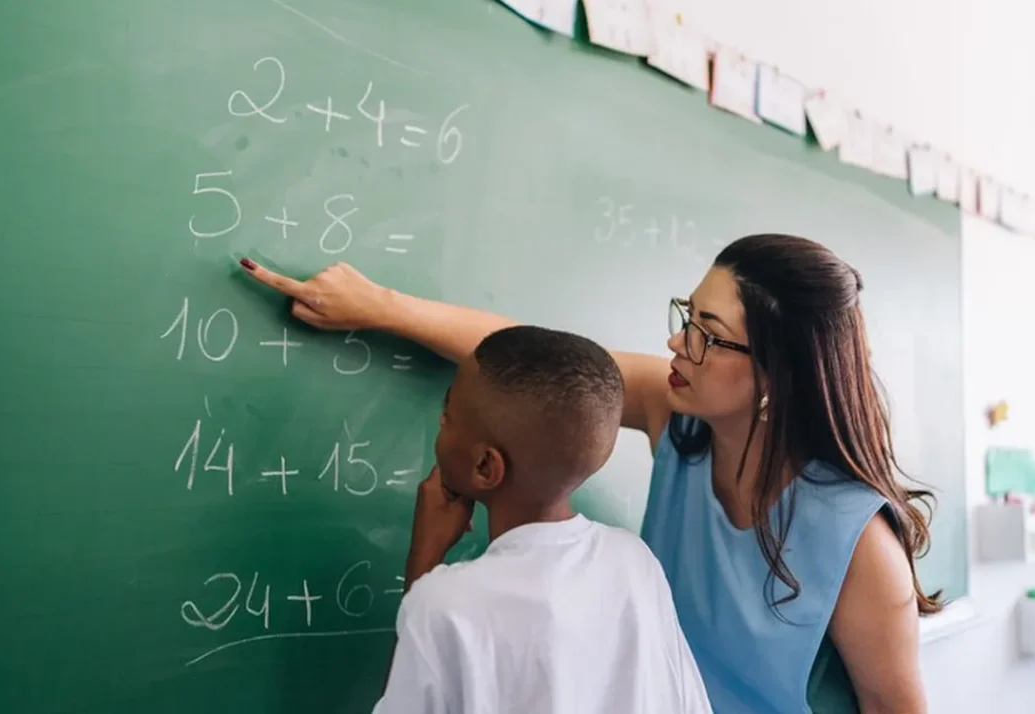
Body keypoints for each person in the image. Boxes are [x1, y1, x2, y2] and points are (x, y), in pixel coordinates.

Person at [238, 232, 939, 714]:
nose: (676, 341)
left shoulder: (857, 542)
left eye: (705, 331)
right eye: (684, 315)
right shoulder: (681, 421)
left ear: (773, 377)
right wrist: (382, 309)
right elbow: (540, 369)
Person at [368, 325, 711, 714]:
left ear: (485, 466)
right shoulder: (635, 562)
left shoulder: (445, 604)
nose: (441, 423)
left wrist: (424, 561)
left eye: (448, 416)